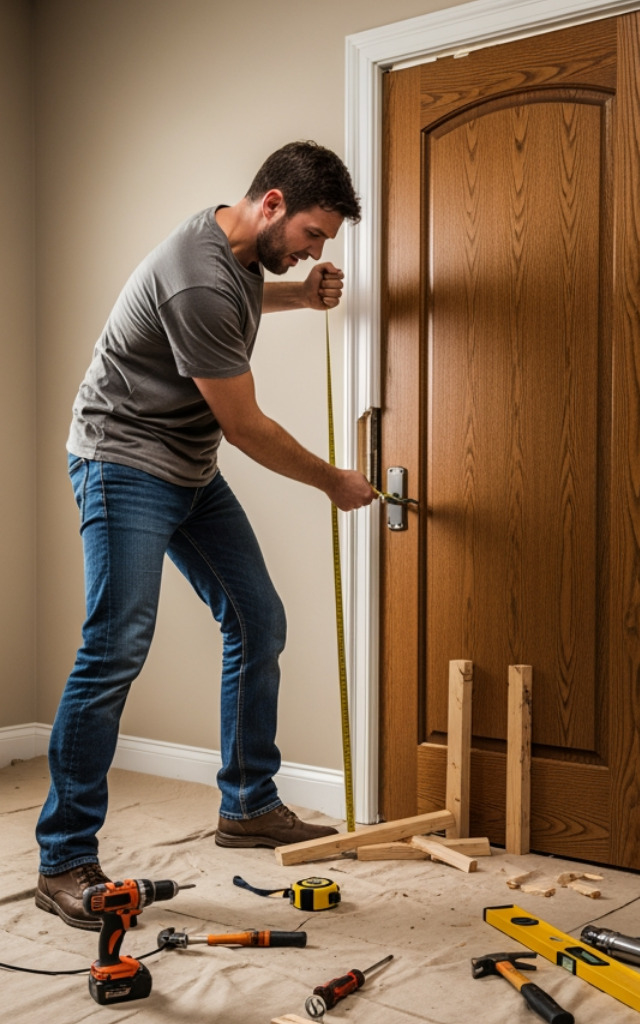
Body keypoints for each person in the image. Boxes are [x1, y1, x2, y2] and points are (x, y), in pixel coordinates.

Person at [35, 141, 377, 929]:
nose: (315, 251)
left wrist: (298, 295)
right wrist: (333, 480)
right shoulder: (197, 275)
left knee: (258, 620)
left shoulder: (237, 251)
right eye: (313, 235)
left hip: (187, 465)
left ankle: (248, 805)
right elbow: (246, 425)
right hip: (122, 461)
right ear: (273, 204)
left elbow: (237, 300)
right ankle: (62, 860)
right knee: (115, 645)